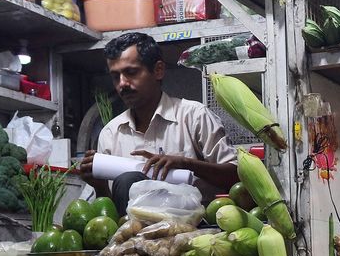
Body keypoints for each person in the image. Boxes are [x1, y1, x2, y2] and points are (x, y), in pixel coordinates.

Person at [74, 32, 239, 214]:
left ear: (158, 70)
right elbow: (111, 210)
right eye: (115, 76)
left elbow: (235, 175)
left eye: (131, 72)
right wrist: (98, 184)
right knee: (128, 180)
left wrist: (186, 163)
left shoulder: (194, 116)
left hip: (195, 231)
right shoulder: (111, 133)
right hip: (134, 236)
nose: (122, 83)